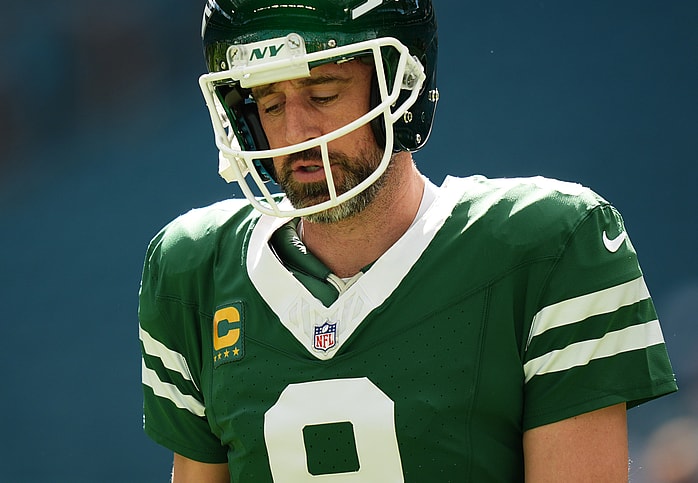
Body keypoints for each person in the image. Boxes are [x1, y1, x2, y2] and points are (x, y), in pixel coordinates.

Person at [138, 1, 678, 481]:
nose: (296, 132)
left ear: (402, 87)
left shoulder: (548, 246)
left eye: (323, 92)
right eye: (270, 104)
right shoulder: (194, 270)